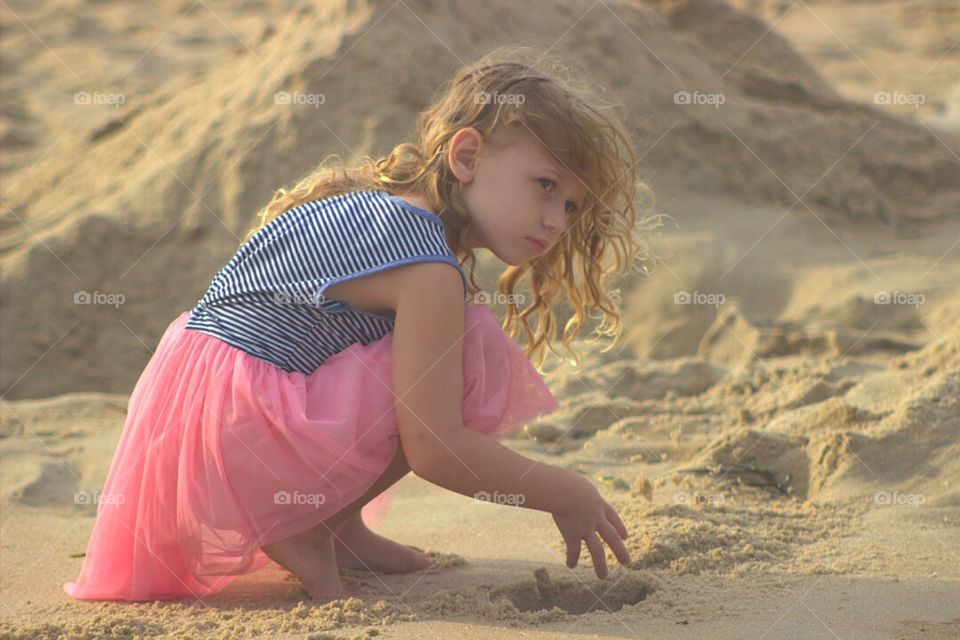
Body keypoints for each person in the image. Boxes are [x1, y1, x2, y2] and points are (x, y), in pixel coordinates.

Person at [64, 46, 659, 603]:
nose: (556, 220)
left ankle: (341, 529)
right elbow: (436, 449)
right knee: (475, 351)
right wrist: (565, 491)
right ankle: (311, 528)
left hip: (196, 415)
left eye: (572, 205)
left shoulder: (379, 204)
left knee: (429, 346)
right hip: (242, 426)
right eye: (546, 186)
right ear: (468, 155)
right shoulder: (427, 267)